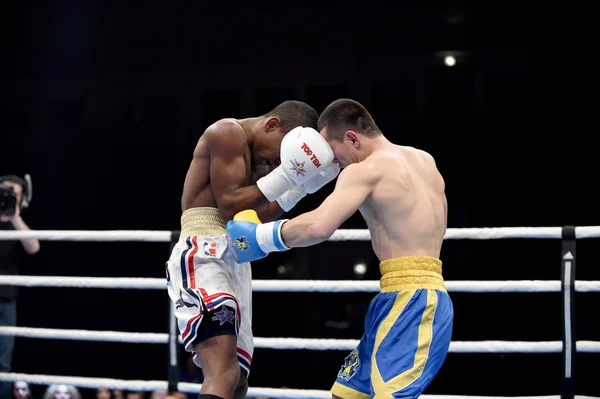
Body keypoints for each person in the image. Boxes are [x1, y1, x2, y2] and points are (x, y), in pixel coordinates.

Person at [226, 98, 454, 399]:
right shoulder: (424, 160)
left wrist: (260, 237)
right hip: (400, 296)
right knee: (345, 395)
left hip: (413, 302)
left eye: (333, 153)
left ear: (352, 138)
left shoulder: (365, 170)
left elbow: (319, 226)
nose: (332, 162)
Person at [165, 100, 340, 399]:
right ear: (272, 125)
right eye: (278, 158)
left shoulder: (261, 159)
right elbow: (230, 204)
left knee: (239, 381)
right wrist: (288, 175)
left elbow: (253, 216)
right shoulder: (227, 132)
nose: (273, 166)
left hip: (235, 258)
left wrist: (300, 189)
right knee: (223, 372)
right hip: (203, 253)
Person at [0, 175, 40, 399]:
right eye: (7, 192)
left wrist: (13, 216)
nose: (11, 196)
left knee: (2, 363)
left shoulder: (17, 224)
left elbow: (33, 247)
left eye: (16, 194)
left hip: (5, 298)